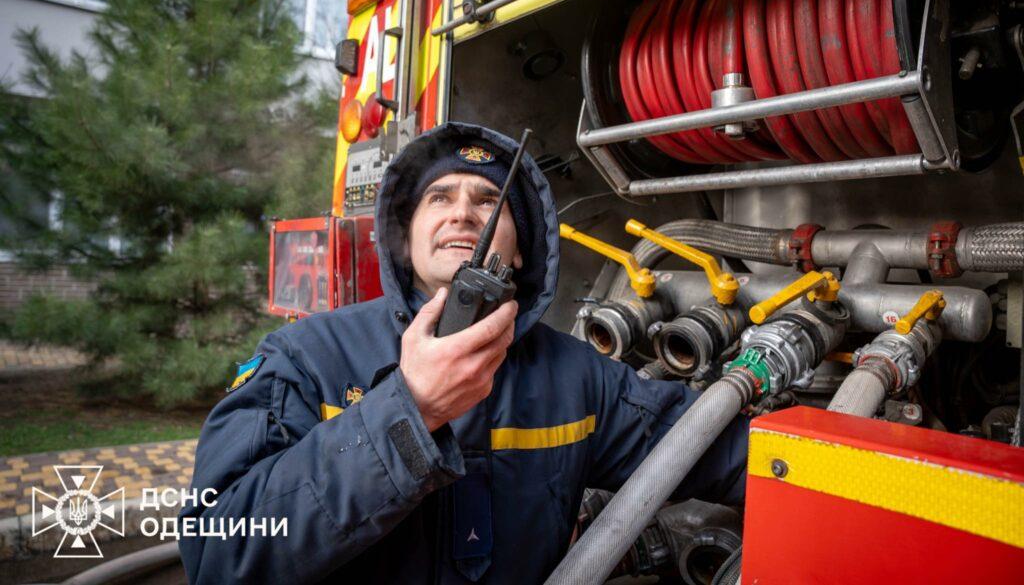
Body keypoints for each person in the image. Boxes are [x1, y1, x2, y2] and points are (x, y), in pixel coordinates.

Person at [179, 122, 749, 584]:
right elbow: (218, 556)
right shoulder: (306, 358)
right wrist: (410, 411)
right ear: (404, 242)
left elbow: (720, 451)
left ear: (521, 252)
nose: (462, 212)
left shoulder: (579, 379)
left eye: (486, 200)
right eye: (439, 197)